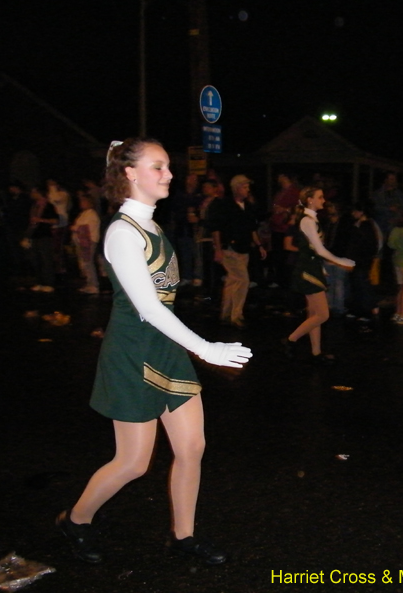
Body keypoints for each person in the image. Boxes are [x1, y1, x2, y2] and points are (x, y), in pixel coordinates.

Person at [56, 138, 252, 567]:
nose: (169, 174)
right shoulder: (123, 232)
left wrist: (196, 348)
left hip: (165, 346)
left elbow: (161, 306)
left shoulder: (152, 226)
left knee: (192, 446)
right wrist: (206, 349)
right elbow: (146, 307)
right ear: (129, 173)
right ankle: (76, 519)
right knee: (133, 461)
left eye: (167, 167)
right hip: (131, 351)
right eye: (158, 167)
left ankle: (183, 536)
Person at [282, 186, 355, 364]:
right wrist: (341, 261)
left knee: (315, 314)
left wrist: (324, 267)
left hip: (311, 268)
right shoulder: (307, 221)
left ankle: (316, 352)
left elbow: (315, 251)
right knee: (323, 314)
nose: (323, 200)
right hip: (308, 270)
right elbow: (320, 250)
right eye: (320, 197)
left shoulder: (311, 220)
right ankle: (290, 340)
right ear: (310, 200)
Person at [209, 175, 267, 329]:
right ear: (236, 188)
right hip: (230, 248)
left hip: (244, 248)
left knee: (233, 281)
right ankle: (236, 315)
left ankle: (226, 313)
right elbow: (216, 228)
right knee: (243, 280)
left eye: (248, 187)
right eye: (245, 187)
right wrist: (218, 249)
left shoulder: (247, 206)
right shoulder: (225, 205)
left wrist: (259, 245)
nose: (248, 190)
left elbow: (252, 228)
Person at [70, 193, 101, 294]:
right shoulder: (84, 214)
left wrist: (75, 228)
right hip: (81, 241)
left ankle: (94, 284)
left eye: (83, 201)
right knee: (84, 263)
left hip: (88, 241)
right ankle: (89, 283)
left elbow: (85, 228)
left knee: (88, 262)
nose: (81, 203)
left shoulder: (91, 213)